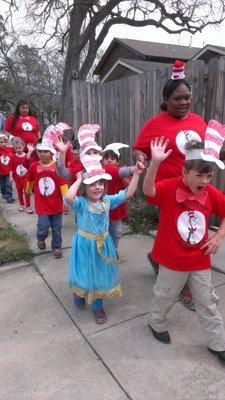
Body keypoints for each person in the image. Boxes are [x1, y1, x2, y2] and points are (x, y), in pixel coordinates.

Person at [143, 132, 225, 363]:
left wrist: (218, 235)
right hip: (171, 258)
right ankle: (155, 322)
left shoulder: (211, 193)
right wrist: (155, 162)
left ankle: (218, 343)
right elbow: (148, 191)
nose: (205, 181)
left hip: (199, 259)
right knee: (165, 295)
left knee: (206, 301)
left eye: (209, 176)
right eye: (199, 175)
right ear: (184, 172)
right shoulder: (170, 187)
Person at [132, 60, 207, 311]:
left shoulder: (198, 121)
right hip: (168, 189)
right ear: (166, 99)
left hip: (194, 186)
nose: (184, 102)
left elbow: (209, 151)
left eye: (187, 97)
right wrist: (140, 159)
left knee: (180, 231)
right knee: (180, 234)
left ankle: (156, 257)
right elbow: (139, 149)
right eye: (178, 98)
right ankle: (182, 285)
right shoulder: (156, 123)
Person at [64, 151, 145, 325]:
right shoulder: (82, 204)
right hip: (85, 245)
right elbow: (68, 198)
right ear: (85, 187)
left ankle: (97, 305)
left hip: (103, 243)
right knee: (84, 272)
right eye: (92, 184)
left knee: (100, 274)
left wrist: (137, 174)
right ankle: (78, 292)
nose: (97, 187)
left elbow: (128, 194)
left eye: (101, 183)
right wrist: (79, 179)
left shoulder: (107, 201)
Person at [26, 135, 68, 259]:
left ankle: (56, 246)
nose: (43, 154)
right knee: (43, 225)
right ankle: (41, 237)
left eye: (46, 152)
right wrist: (28, 190)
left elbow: (63, 185)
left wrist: (66, 201)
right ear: (36, 152)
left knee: (57, 227)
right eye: (40, 151)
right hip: (42, 204)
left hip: (56, 204)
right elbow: (30, 180)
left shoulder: (57, 168)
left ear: (51, 153)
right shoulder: (34, 166)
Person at [102, 143, 131, 248]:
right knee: (102, 232)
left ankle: (113, 248)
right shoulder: (99, 172)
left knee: (116, 232)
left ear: (117, 161)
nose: (109, 160)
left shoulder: (120, 172)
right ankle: (104, 250)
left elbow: (130, 189)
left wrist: (126, 177)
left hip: (116, 209)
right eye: (106, 158)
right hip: (101, 208)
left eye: (112, 158)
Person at [11, 138, 34, 213]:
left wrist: (30, 152)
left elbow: (28, 162)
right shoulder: (13, 157)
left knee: (27, 191)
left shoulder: (26, 156)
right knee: (19, 191)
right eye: (16, 148)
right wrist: (11, 176)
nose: (18, 149)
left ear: (23, 146)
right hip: (17, 177)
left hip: (26, 177)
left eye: (20, 148)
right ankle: (21, 204)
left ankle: (28, 206)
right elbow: (11, 168)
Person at [0, 133, 15, 203]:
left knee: (8, 184)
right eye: (1, 142)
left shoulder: (10, 149)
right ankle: (3, 193)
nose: (3, 144)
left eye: (5, 142)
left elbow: (15, 145)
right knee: (2, 185)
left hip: (9, 172)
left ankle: (9, 196)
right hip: (0, 172)